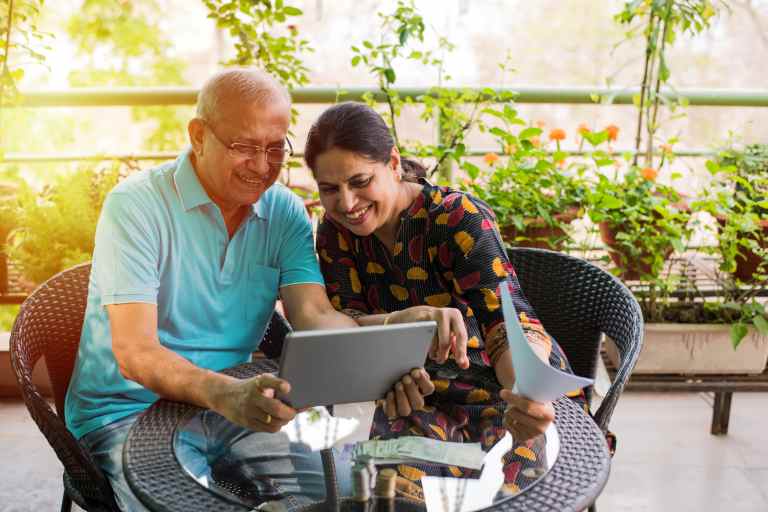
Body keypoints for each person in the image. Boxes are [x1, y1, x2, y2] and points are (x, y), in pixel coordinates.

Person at [64, 69, 364, 512]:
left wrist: (388, 334)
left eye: (275, 148)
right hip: (125, 411)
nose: (262, 167)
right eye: (244, 147)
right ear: (199, 135)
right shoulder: (136, 207)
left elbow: (314, 316)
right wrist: (224, 392)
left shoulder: (284, 212)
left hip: (235, 409)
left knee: (343, 492)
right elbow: (135, 353)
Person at [304, 102, 589, 497]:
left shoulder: (457, 217)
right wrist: (392, 363)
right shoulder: (336, 232)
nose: (347, 203)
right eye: (329, 189)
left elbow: (507, 324)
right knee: (366, 480)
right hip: (418, 394)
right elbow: (348, 325)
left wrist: (525, 394)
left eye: (360, 181)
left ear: (392, 162)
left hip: (499, 387)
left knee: (516, 486)